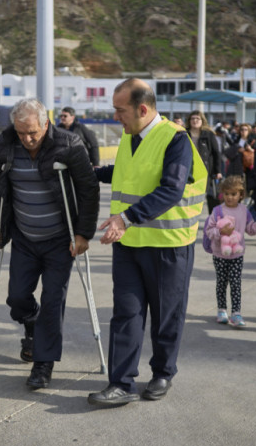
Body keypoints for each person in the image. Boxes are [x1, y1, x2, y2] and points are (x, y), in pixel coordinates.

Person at [88, 78, 206, 406]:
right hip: (129, 244)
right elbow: (128, 173)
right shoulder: (131, 136)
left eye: (120, 110)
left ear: (142, 109)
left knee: (167, 313)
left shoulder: (175, 140)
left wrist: (124, 219)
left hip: (168, 244)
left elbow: (171, 188)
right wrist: (91, 171)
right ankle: (121, 383)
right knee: (126, 313)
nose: (116, 117)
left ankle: (163, 372)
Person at [0, 98, 99, 389]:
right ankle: (32, 323)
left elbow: (89, 189)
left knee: (53, 301)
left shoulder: (69, 143)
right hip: (24, 237)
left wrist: (83, 234)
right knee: (16, 298)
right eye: (21, 132)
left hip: (59, 239)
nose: (26, 139)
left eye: (32, 133)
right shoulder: (5, 143)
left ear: (46, 124)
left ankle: (43, 363)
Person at [205, 176, 256, 328]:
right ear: (222, 194)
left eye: (233, 194)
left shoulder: (244, 210)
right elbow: (209, 231)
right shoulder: (217, 210)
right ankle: (221, 310)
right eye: (226, 194)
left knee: (235, 283)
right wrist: (221, 231)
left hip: (237, 254)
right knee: (221, 282)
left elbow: (250, 229)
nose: (230, 197)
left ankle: (236, 313)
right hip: (219, 254)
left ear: (241, 195)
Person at [185, 110, 222, 213]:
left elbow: (216, 153)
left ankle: (213, 220)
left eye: (198, 118)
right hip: (189, 169)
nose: (195, 121)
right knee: (190, 196)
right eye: (192, 118)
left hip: (206, 171)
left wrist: (218, 171)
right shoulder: (184, 133)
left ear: (202, 121)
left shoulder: (208, 134)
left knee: (211, 197)